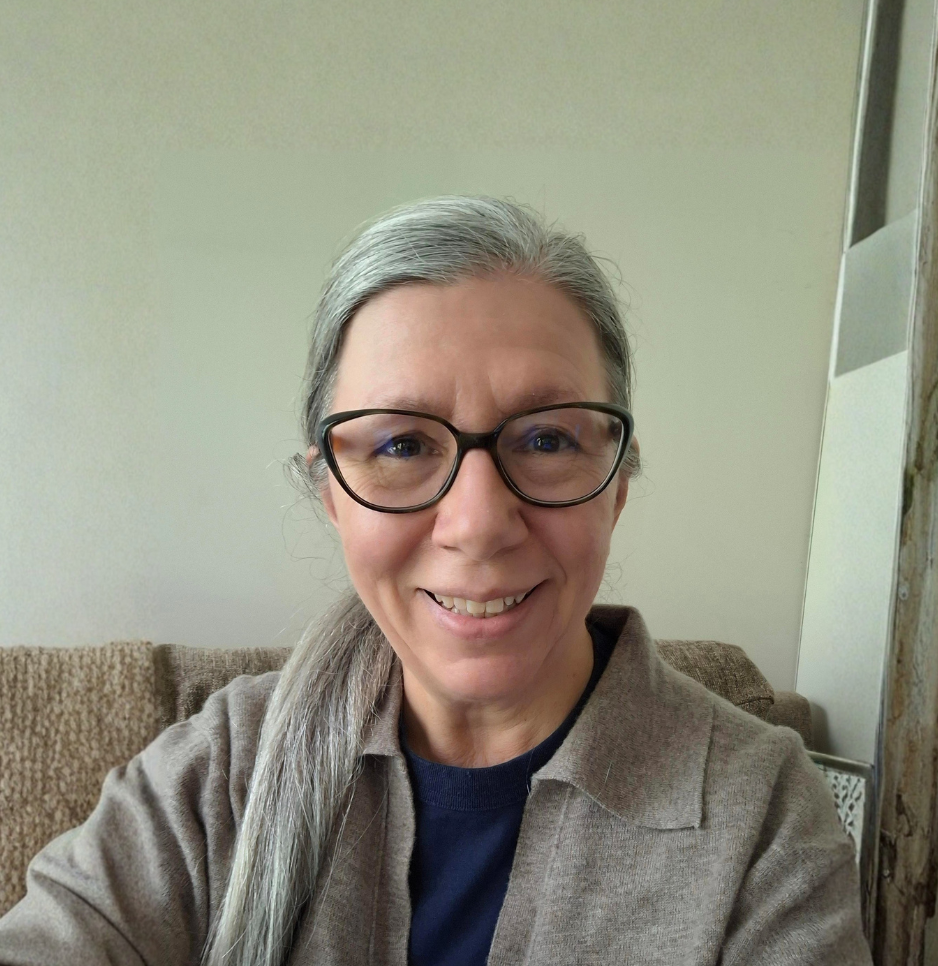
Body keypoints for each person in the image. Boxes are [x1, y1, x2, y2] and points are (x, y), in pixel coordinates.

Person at [0, 197, 871, 966]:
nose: (479, 524)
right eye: (403, 446)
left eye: (546, 439)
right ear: (331, 495)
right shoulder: (219, 774)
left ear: (619, 484)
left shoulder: (759, 812)